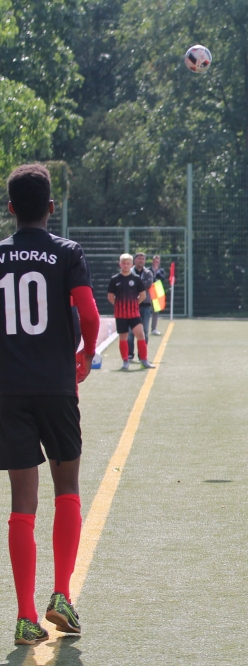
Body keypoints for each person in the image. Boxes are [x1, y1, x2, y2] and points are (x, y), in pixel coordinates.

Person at [0, 164, 99, 644]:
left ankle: (24, 617)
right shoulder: (66, 252)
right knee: (67, 487)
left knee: (22, 500)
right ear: (52, 208)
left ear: (11, 208)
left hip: (8, 390)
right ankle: (61, 595)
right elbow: (89, 313)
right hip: (57, 387)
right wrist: (85, 355)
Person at [107, 254, 154, 370]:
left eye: (128, 263)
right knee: (124, 337)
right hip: (120, 315)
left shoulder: (136, 279)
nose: (125, 265)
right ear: (120, 264)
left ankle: (144, 360)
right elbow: (110, 296)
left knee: (141, 334)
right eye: (123, 263)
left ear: (131, 264)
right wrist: (119, 305)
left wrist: (134, 304)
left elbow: (143, 295)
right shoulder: (114, 279)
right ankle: (125, 361)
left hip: (134, 314)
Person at [127, 251, 154, 361]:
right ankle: (129, 354)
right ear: (134, 260)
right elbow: (128, 286)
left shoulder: (148, 273)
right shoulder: (129, 272)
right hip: (131, 305)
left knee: (145, 332)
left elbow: (148, 284)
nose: (141, 261)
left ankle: (142, 355)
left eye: (143, 259)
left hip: (145, 305)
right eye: (139, 258)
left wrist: (135, 284)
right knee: (130, 332)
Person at [149, 254, 167, 335]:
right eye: (155, 261)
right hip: (149, 292)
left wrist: (157, 273)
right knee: (145, 310)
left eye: (158, 261)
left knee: (155, 311)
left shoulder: (161, 271)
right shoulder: (148, 270)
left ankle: (154, 328)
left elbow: (163, 279)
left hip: (157, 292)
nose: (156, 262)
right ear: (152, 261)